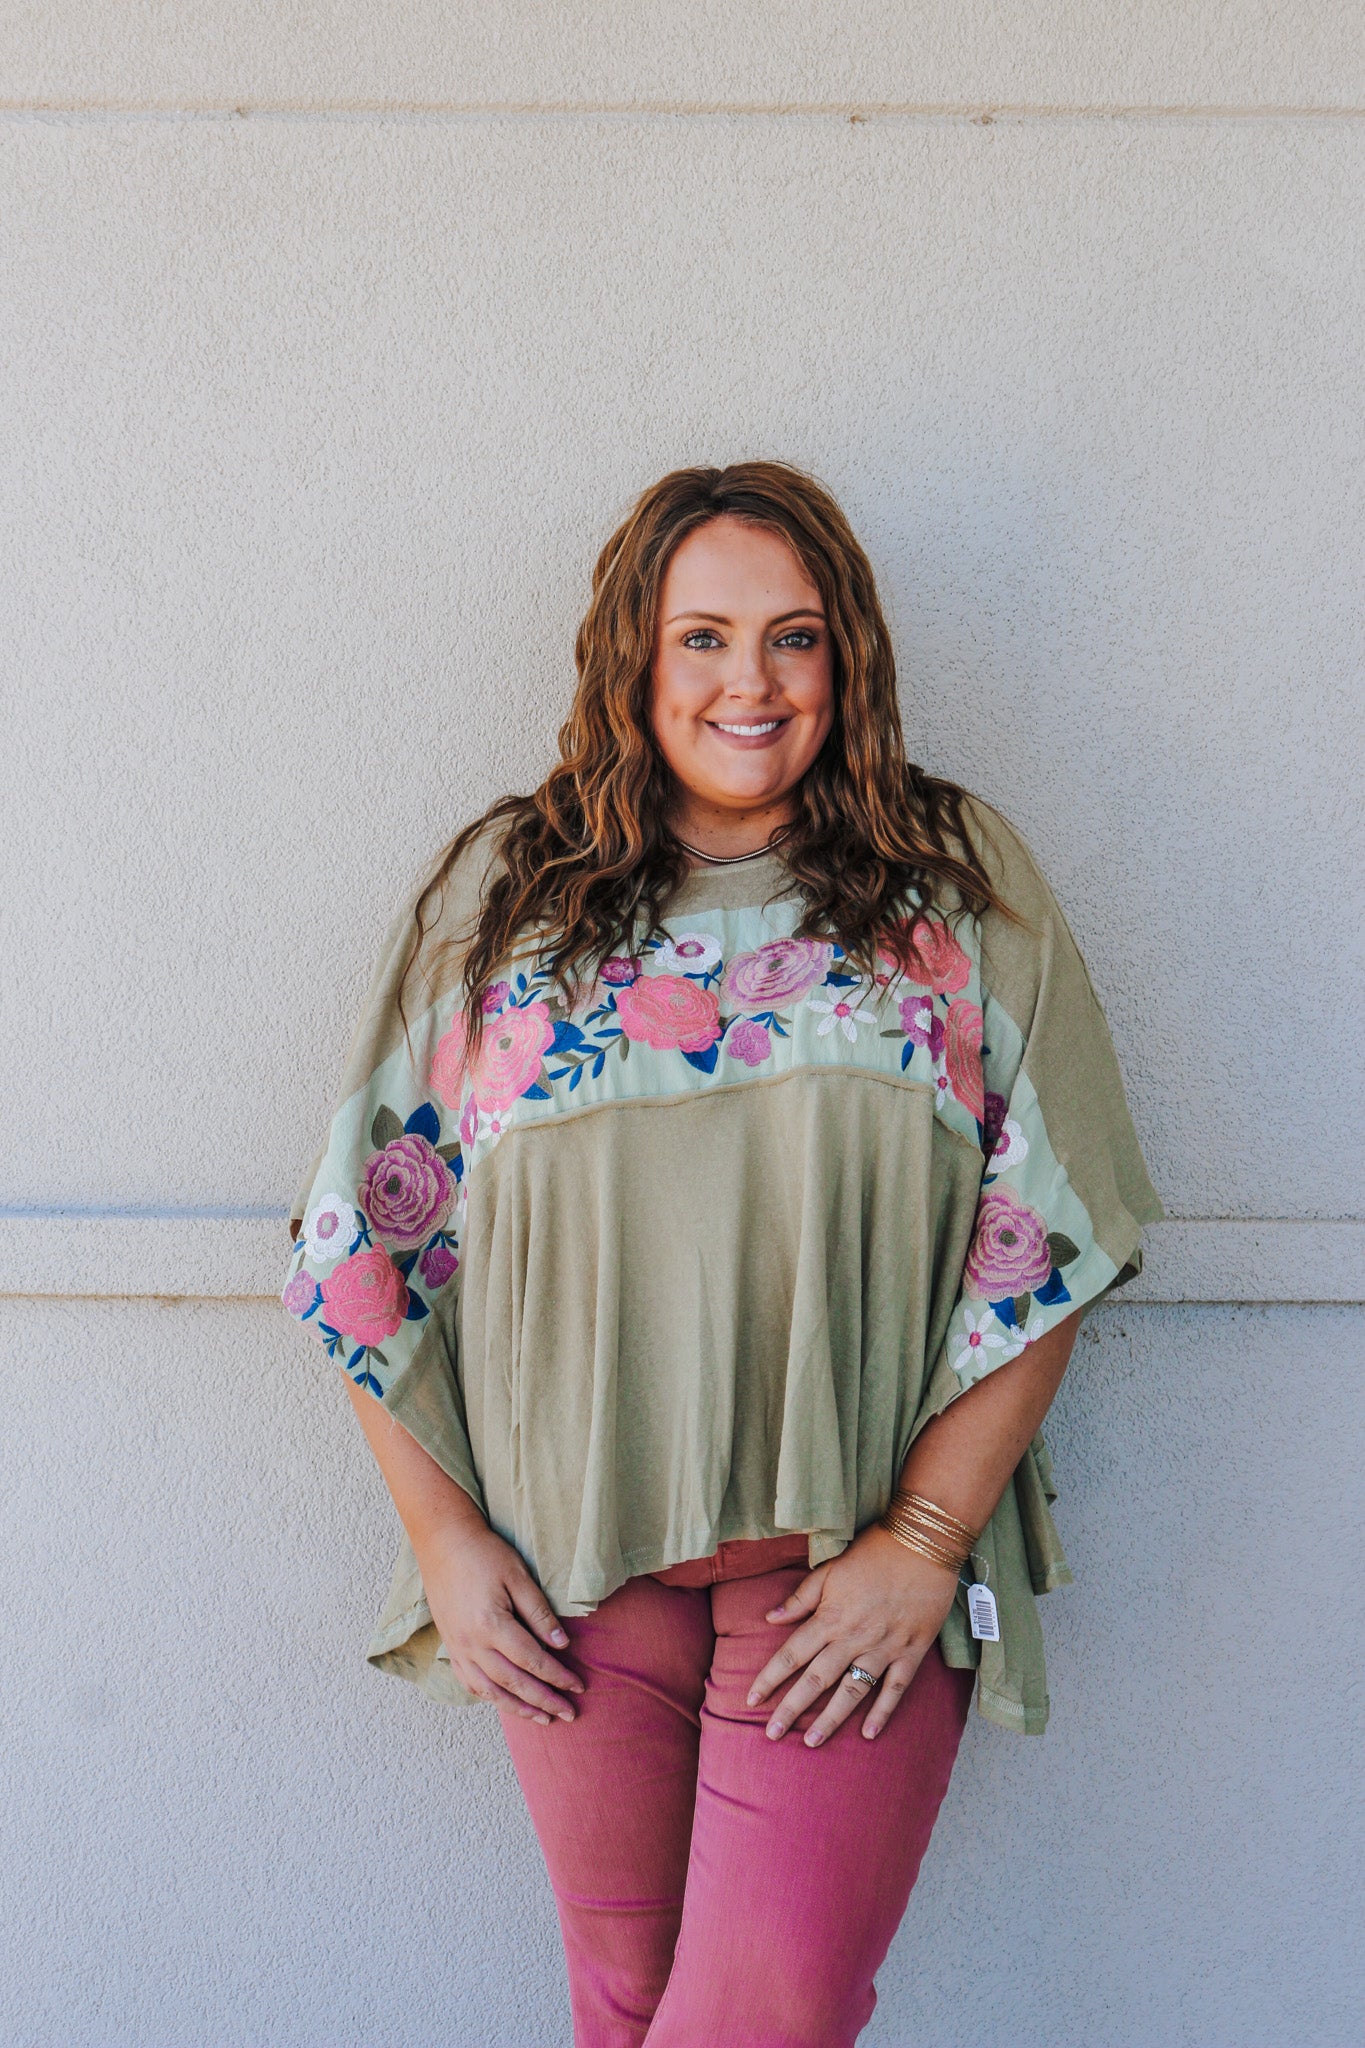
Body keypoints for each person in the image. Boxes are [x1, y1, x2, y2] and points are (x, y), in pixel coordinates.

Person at [283, 460, 1165, 2047]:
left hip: (850, 1556)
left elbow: (1052, 1234)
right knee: (624, 2013)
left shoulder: (949, 884)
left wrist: (923, 1537)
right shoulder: (508, 897)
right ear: (633, 657)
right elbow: (366, 1235)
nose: (747, 683)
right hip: (568, 1575)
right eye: (700, 637)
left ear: (850, 659)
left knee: (761, 2014)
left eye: (793, 637)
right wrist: (441, 1538)